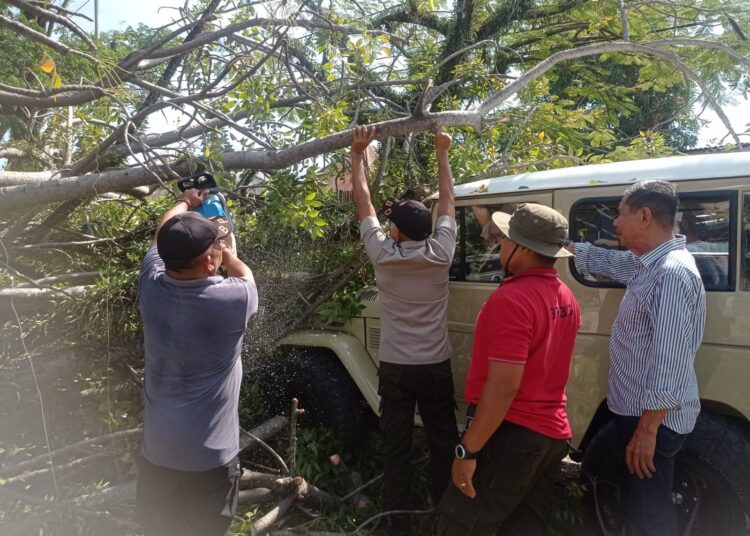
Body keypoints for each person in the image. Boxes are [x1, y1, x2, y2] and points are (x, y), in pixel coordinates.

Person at [565, 180, 706, 536]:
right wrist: (562, 245)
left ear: (644, 216)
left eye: (620, 214)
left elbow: (670, 361)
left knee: (651, 514)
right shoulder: (647, 263)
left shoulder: (671, 274)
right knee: (642, 505)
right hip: (640, 412)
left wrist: (647, 429)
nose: (615, 222)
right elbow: (610, 260)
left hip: (653, 420)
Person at [436, 203, 581, 535]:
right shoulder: (565, 296)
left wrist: (467, 448)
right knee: (526, 526)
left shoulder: (512, 300)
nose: (499, 243)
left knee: (459, 523)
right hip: (550, 435)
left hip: (511, 433)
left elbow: (503, 387)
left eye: (505, 238)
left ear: (524, 249)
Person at [350, 125, 458, 534]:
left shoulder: (383, 256)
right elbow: (448, 198)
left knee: (396, 444)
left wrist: (357, 155)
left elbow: (363, 201)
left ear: (396, 232)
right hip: (435, 364)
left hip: (395, 367)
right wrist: (442, 153)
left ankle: (395, 521)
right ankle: (447, 514)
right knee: (442, 439)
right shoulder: (442, 251)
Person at [136, 187, 258, 536]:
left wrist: (185, 202)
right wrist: (228, 252)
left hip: (158, 453)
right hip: (211, 460)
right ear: (209, 262)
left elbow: (163, 234)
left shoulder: (151, 284)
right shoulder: (235, 299)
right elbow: (243, 273)